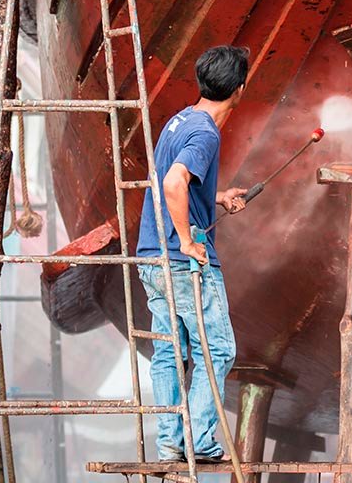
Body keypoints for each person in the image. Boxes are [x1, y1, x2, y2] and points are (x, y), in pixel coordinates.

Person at [136, 45, 249, 462]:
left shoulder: (178, 121)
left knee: (168, 349)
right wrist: (187, 240)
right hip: (182, 260)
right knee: (218, 349)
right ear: (239, 88)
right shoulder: (206, 132)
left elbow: (178, 180)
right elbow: (172, 184)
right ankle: (200, 441)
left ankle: (169, 443)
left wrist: (215, 197)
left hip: (151, 254)